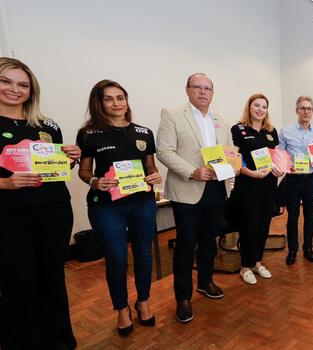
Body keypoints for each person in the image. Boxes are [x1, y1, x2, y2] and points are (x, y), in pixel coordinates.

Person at [0, 57, 80, 349]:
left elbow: (56, 170)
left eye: (23, 84)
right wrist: (5, 183)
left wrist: (70, 159)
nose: (15, 89)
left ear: (32, 90)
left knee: (52, 276)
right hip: (8, 215)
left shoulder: (48, 125)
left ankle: (59, 340)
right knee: (16, 281)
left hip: (54, 210)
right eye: (6, 81)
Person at [76, 80, 161, 336]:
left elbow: (151, 167)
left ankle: (143, 302)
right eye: (109, 99)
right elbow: (83, 170)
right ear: (99, 103)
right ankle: (122, 309)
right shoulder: (89, 134)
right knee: (117, 259)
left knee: (144, 255)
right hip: (106, 207)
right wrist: (94, 181)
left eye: (120, 97)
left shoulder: (143, 133)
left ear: (127, 100)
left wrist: (155, 177)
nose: (116, 103)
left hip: (142, 203)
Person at [156, 73, 233, 323]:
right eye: (197, 87)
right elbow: (164, 151)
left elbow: (229, 152)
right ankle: (183, 297)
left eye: (207, 88)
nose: (202, 92)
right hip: (188, 188)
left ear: (213, 92)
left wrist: (230, 168)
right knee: (186, 245)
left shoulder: (221, 119)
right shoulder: (172, 114)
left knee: (209, 240)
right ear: (187, 90)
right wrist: (193, 171)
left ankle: (206, 281)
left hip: (216, 188)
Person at [231, 93, 283, 284]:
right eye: (256, 105)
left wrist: (280, 170)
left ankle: (257, 262)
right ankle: (245, 266)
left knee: (264, 224)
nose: (260, 109)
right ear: (249, 107)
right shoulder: (238, 129)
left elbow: (276, 156)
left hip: (269, 184)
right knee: (249, 225)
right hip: (248, 184)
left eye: (264, 106)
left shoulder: (271, 130)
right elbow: (234, 158)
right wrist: (250, 173)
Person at [278, 95, 313, 265]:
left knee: (310, 216)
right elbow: (280, 155)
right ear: (297, 110)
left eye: (309, 108)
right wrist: (286, 165)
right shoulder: (286, 131)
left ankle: (308, 248)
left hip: (310, 180)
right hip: (292, 180)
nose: (306, 111)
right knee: (293, 217)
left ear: (312, 112)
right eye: (303, 108)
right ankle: (292, 250)